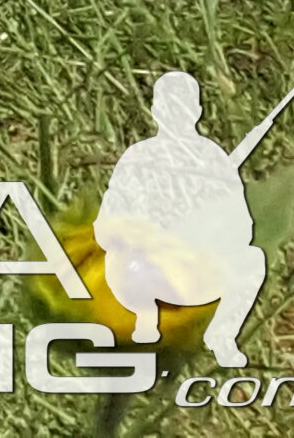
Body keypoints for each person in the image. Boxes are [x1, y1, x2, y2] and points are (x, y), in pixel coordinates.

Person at [94, 69, 270, 370]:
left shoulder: (213, 159)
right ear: (156, 110)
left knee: (252, 260)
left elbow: (243, 227)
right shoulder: (139, 157)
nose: (176, 113)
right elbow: (107, 224)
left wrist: (208, 222)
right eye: (169, 105)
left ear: (197, 111)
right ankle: (145, 329)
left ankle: (221, 336)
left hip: (195, 269)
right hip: (143, 270)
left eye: (183, 105)